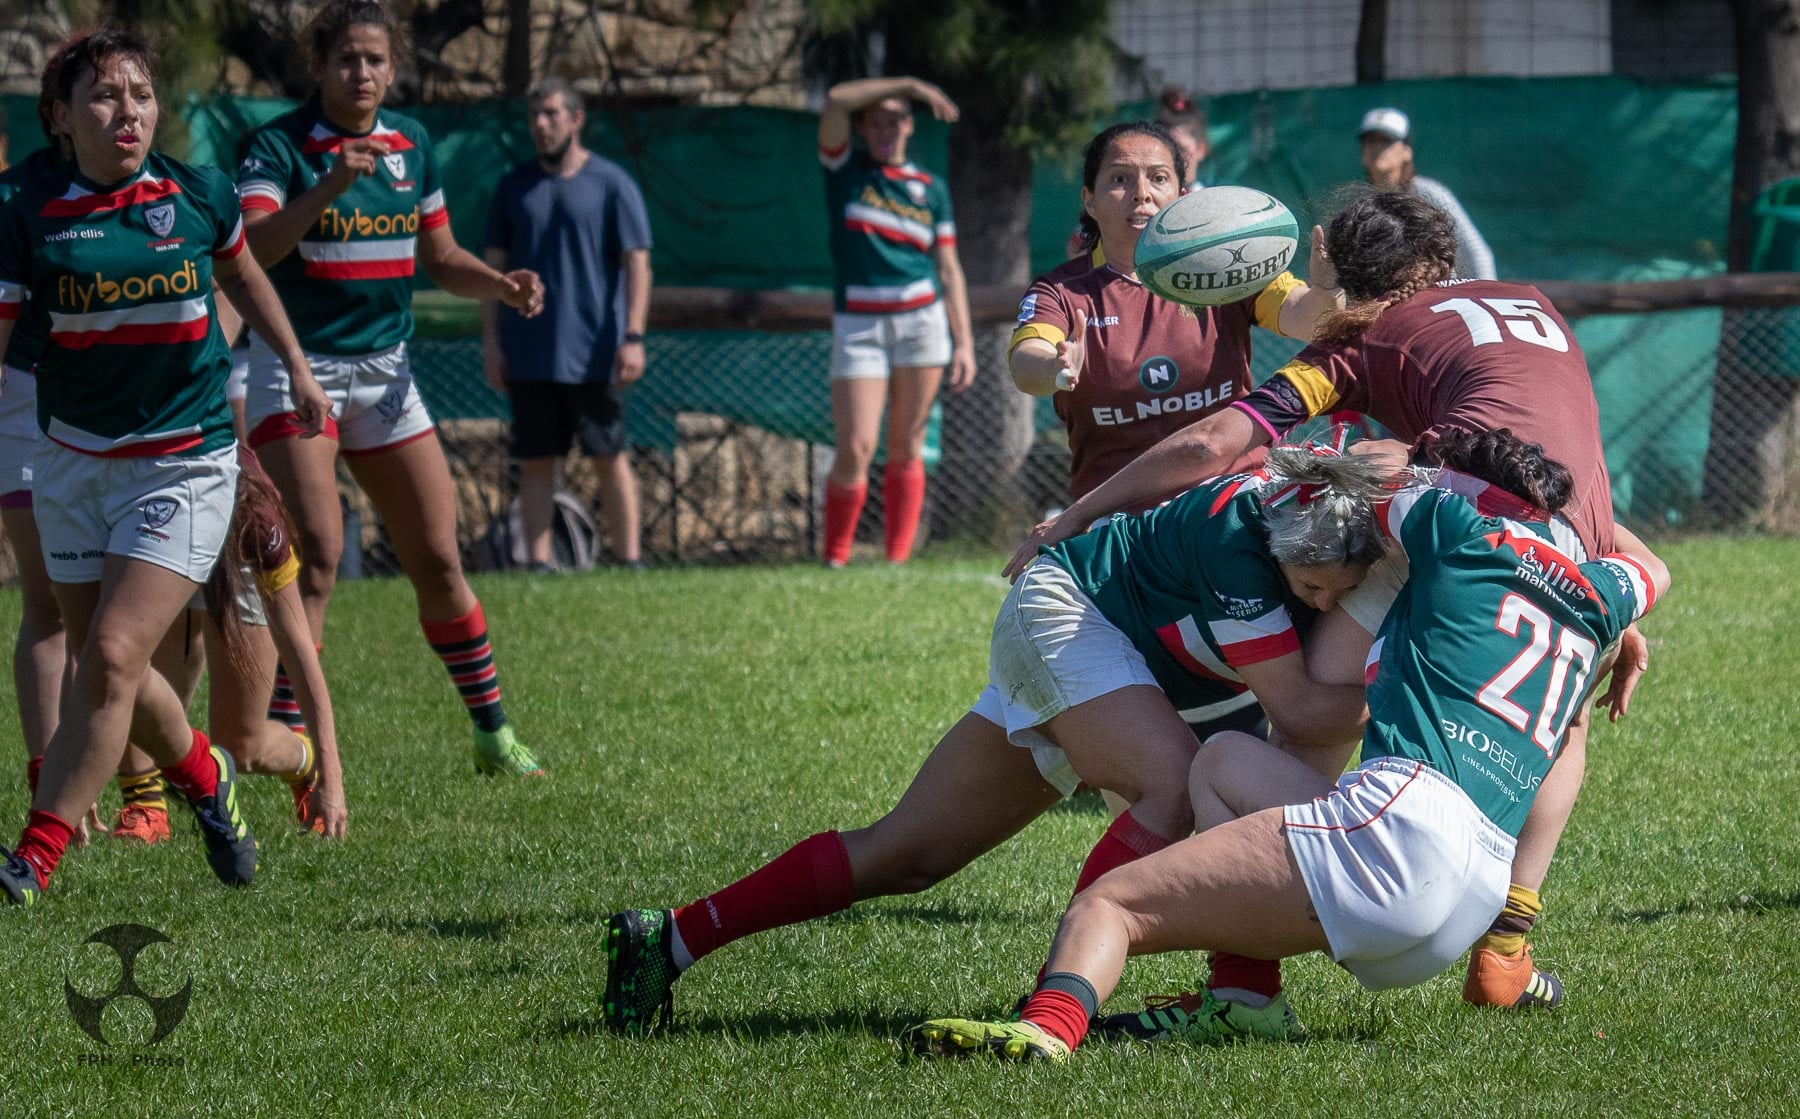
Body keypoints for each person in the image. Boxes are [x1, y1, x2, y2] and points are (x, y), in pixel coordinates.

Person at [1005, 190, 1650, 1012]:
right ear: (1439, 260)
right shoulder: (1532, 305)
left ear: (1330, 265)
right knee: (1563, 721)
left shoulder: (1364, 345)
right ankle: (1507, 945)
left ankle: (1246, 979)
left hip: (1454, 530)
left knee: (1306, 712)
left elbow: (1213, 441)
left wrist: (1079, 512)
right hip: (1570, 537)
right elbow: (1549, 460)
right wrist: (1602, 593)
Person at [913, 430, 1670, 1061]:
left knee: (1105, 907)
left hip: (1399, 840)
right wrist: (1585, 537)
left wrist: (1409, 456)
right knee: (1222, 762)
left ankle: (1045, 1027)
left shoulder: (1456, 528)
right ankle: (1246, 996)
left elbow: (1369, 473)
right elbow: (1654, 567)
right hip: (1473, 897)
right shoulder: (1603, 595)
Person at [598, 446, 1396, 1034]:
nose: (1327, 602)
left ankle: (668, 936)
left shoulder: (1330, 496)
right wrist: (1402, 687)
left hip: (1117, 656)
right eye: (1312, 587)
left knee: (907, 854)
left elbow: (1211, 447)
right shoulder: (1240, 544)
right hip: (1072, 615)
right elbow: (1295, 712)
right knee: (1174, 776)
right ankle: (1056, 1008)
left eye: (1340, 591)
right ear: (1277, 546)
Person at [0, 27, 331, 906]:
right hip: (71, 461)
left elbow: (247, 277)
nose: (128, 112)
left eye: (141, 94)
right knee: (114, 669)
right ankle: (202, 773)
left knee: (108, 652)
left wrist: (295, 363)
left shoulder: (196, 193)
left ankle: (32, 855)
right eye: (106, 96)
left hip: (183, 466)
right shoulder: (22, 207)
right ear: (61, 117)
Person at [235, 0, 548, 777]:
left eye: (376, 59)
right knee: (316, 553)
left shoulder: (412, 143)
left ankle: (492, 735)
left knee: (439, 559)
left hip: (387, 375)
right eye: (347, 59)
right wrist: (329, 187)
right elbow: (256, 252)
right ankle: (288, 746)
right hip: (298, 371)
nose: (363, 73)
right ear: (319, 66)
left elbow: (438, 257)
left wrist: (500, 286)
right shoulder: (279, 145)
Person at [483, 77, 651, 571]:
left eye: (552, 114)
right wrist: (492, 343)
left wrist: (633, 337)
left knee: (609, 456)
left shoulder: (613, 184)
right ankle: (537, 566)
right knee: (536, 462)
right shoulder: (513, 187)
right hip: (530, 354)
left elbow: (638, 264)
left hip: (596, 354)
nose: (541, 124)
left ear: (576, 120)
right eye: (535, 115)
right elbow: (493, 270)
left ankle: (631, 562)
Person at [816, 76, 975, 567]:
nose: (887, 129)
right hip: (859, 325)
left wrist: (964, 342)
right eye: (876, 121)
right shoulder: (844, 170)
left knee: (906, 443)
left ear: (909, 126)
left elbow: (948, 267)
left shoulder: (931, 189)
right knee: (857, 445)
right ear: (863, 127)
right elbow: (836, 98)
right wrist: (912, 85)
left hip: (921, 321)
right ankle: (835, 558)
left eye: (896, 120)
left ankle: (896, 561)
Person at [1359, 106, 1495, 280]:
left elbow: (1476, 252)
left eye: (1386, 141)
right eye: (1370, 141)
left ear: (1407, 151)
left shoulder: (1428, 193)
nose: (1377, 148)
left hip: (1444, 301)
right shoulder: (1362, 205)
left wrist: (1486, 296)